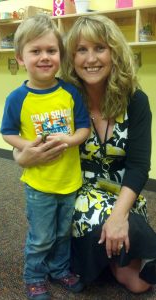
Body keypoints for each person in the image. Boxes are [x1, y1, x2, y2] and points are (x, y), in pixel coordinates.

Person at [13, 14, 156, 295]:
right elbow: (28, 139)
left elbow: (139, 166)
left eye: (100, 48)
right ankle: (98, 253)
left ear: (113, 52)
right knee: (134, 279)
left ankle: (109, 247)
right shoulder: (61, 95)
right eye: (81, 49)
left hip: (122, 192)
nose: (91, 58)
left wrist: (118, 216)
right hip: (74, 191)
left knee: (138, 284)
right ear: (71, 57)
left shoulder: (136, 101)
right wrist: (21, 157)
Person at [0, 13, 90, 300]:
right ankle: (34, 276)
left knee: (63, 233)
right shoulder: (17, 98)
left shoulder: (70, 92)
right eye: (35, 51)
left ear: (60, 56)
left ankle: (59, 269)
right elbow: (7, 132)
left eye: (51, 50)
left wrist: (70, 138)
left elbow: (84, 128)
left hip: (69, 180)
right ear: (21, 59)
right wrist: (29, 147)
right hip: (39, 184)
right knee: (41, 237)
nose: (44, 57)